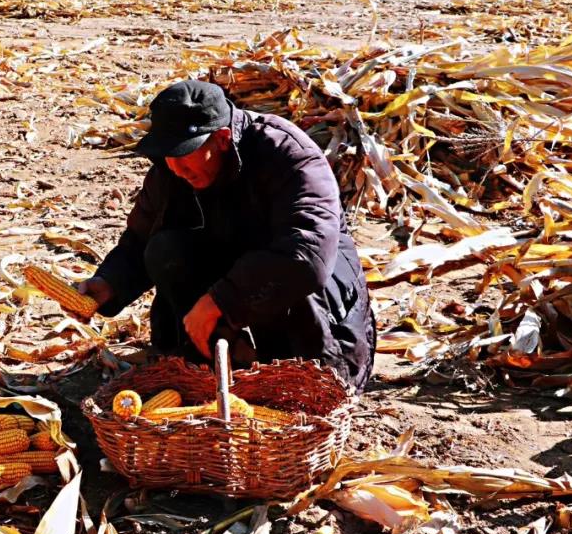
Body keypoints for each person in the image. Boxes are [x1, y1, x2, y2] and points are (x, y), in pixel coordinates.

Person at [78, 80, 374, 390]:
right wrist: (109, 284)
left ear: (221, 139)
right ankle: (209, 358)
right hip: (238, 269)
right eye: (168, 155)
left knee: (294, 287)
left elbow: (307, 255)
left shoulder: (288, 154)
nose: (176, 168)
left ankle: (296, 368)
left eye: (185, 154)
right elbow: (141, 238)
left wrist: (222, 301)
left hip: (312, 288)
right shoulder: (172, 167)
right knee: (165, 250)